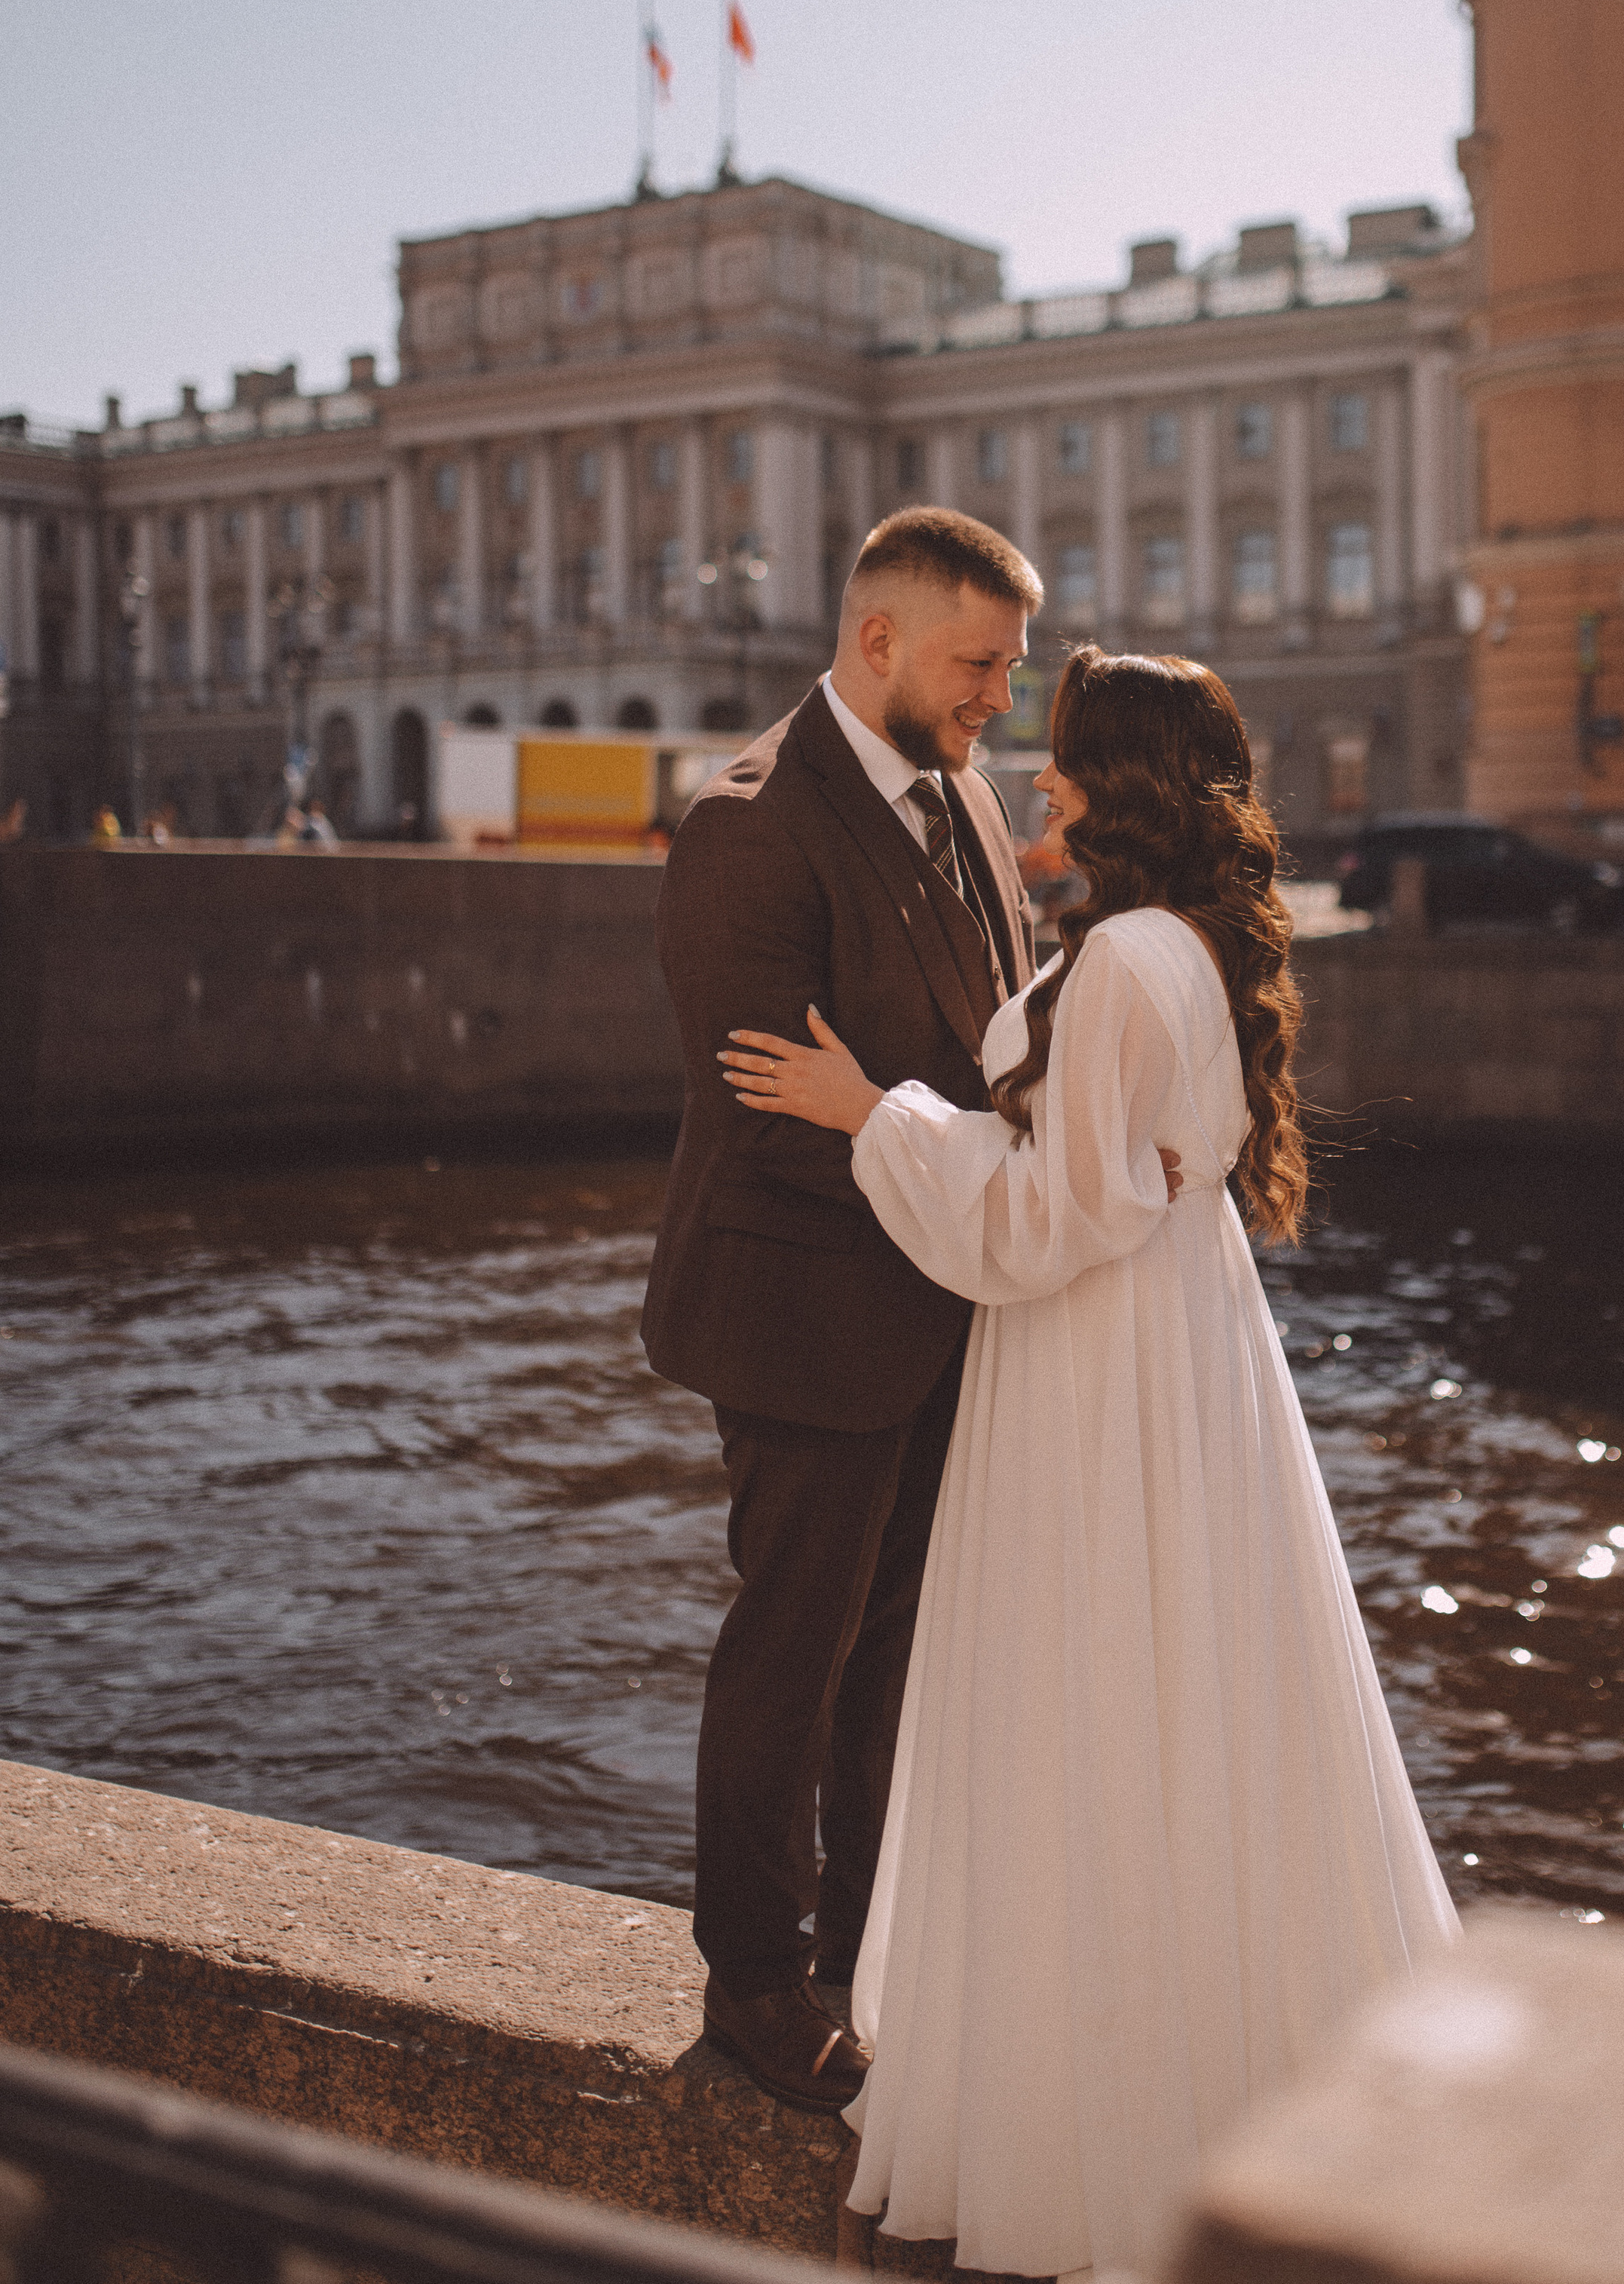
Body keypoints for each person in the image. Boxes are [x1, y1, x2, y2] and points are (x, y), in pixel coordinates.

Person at [721, 646, 1462, 2280]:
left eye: (1061, 756)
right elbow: (1120, 1181)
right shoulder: (1179, 947)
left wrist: (873, 1114)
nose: (1037, 778)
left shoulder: (1126, 959)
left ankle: (1083, 2134)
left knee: (1084, 1698)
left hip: (1096, 1356)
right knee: (1178, 1702)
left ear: (1120, 782)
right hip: (1171, 1351)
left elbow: (1058, 1216)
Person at [645, 507, 1046, 2113]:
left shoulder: (959, 791)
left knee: (891, 1659)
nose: (997, 700)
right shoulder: (748, 822)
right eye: (976, 664)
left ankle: (868, 1951)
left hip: (939, 1304)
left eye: (1008, 669)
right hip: (808, 1317)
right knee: (791, 1655)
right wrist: (962, 1177)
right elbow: (768, 1121)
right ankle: (755, 1978)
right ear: (875, 639)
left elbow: (977, 1044)